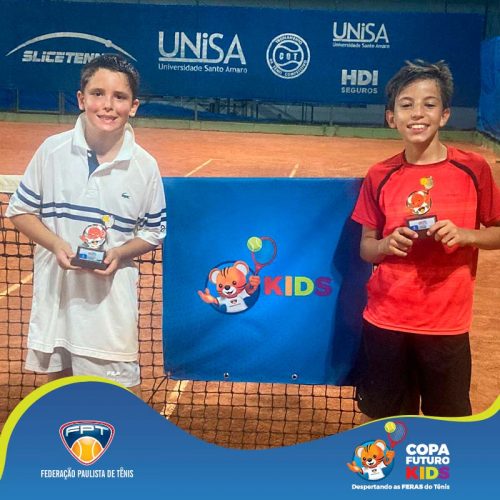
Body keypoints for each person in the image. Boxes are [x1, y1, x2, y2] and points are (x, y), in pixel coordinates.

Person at [6, 54, 166, 397]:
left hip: (109, 311)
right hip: (57, 302)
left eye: (119, 97)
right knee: (58, 396)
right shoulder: (52, 151)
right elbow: (20, 211)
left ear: (133, 106)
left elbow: (154, 232)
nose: (107, 105)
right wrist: (56, 245)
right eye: (97, 94)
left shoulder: (145, 166)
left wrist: (119, 253)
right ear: (81, 99)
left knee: (119, 402)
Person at [351, 60, 500, 418]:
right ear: (391, 118)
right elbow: (367, 247)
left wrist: (465, 235)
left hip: (446, 326)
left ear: (444, 114)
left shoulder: (474, 169)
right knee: (384, 424)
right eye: (406, 105)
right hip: (386, 321)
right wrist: (385, 245)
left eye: (429, 104)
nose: (418, 113)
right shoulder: (379, 175)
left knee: (446, 427)